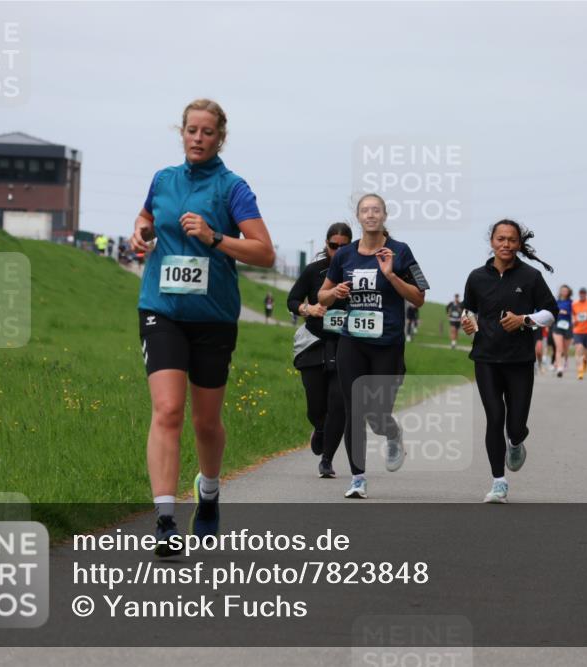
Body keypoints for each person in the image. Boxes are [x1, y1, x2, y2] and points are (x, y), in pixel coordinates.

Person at [129, 98, 275, 556]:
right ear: (182, 133)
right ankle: (166, 519)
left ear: (220, 138)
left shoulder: (233, 188)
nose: (197, 138)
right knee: (168, 410)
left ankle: (209, 493)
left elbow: (264, 252)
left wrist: (214, 237)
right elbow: (147, 217)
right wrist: (140, 233)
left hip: (212, 317)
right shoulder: (163, 180)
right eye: (191, 130)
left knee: (206, 421)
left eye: (207, 132)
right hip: (162, 309)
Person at [318, 193, 428, 499]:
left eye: (375, 210)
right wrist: (335, 292)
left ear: (384, 215)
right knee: (355, 407)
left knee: (378, 413)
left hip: (388, 343)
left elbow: (419, 297)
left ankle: (392, 433)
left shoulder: (401, 251)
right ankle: (358, 478)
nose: (370, 215)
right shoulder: (344, 256)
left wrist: (391, 275)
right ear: (358, 216)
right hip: (352, 341)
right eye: (365, 210)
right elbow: (322, 297)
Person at [461, 219, 558, 503]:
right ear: (491, 241)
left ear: (519, 244)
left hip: (519, 360)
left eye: (511, 240)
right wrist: (469, 323)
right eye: (500, 239)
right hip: (486, 358)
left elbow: (551, 312)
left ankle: (516, 441)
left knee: (514, 426)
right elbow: (470, 311)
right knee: (495, 417)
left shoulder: (530, 277)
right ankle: (498, 482)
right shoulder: (477, 277)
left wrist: (525, 320)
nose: (506, 245)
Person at [287, 222, 353, 478]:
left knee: (338, 402)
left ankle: (327, 459)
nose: (337, 250)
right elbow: (292, 300)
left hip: (345, 343)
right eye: (333, 246)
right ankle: (320, 428)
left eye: (343, 246)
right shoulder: (314, 271)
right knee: (316, 404)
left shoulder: (358, 271)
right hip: (314, 341)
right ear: (326, 245)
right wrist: (308, 309)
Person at [551, 284, 574, 377]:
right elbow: (552, 311)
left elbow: (574, 313)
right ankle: (559, 368)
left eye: (566, 290)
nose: (564, 292)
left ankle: (565, 361)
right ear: (560, 291)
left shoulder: (571, 302)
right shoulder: (556, 302)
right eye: (562, 290)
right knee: (559, 348)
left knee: (565, 349)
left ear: (568, 292)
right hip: (557, 326)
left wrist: (567, 312)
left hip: (568, 326)